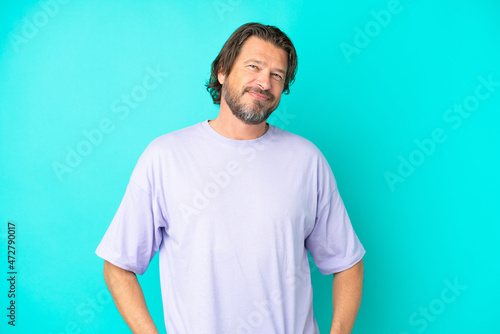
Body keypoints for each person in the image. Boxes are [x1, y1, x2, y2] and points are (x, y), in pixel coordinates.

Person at [95, 22, 365, 334]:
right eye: (254, 66)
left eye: (277, 75)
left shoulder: (307, 160)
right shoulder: (165, 157)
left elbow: (348, 263)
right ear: (222, 71)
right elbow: (118, 264)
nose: (264, 82)